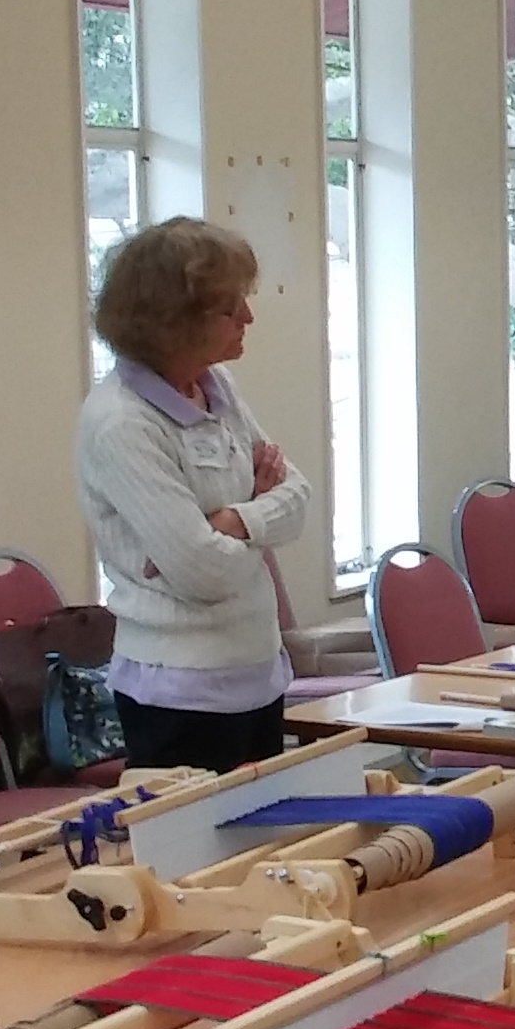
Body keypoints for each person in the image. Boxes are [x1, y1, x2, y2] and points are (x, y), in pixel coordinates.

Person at [77, 216, 312, 772]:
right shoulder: (122, 423)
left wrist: (229, 520)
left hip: (256, 669)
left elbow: (298, 498)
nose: (249, 317)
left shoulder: (216, 386)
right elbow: (204, 573)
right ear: (175, 323)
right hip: (180, 691)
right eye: (231, 308)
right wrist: (256, 512)